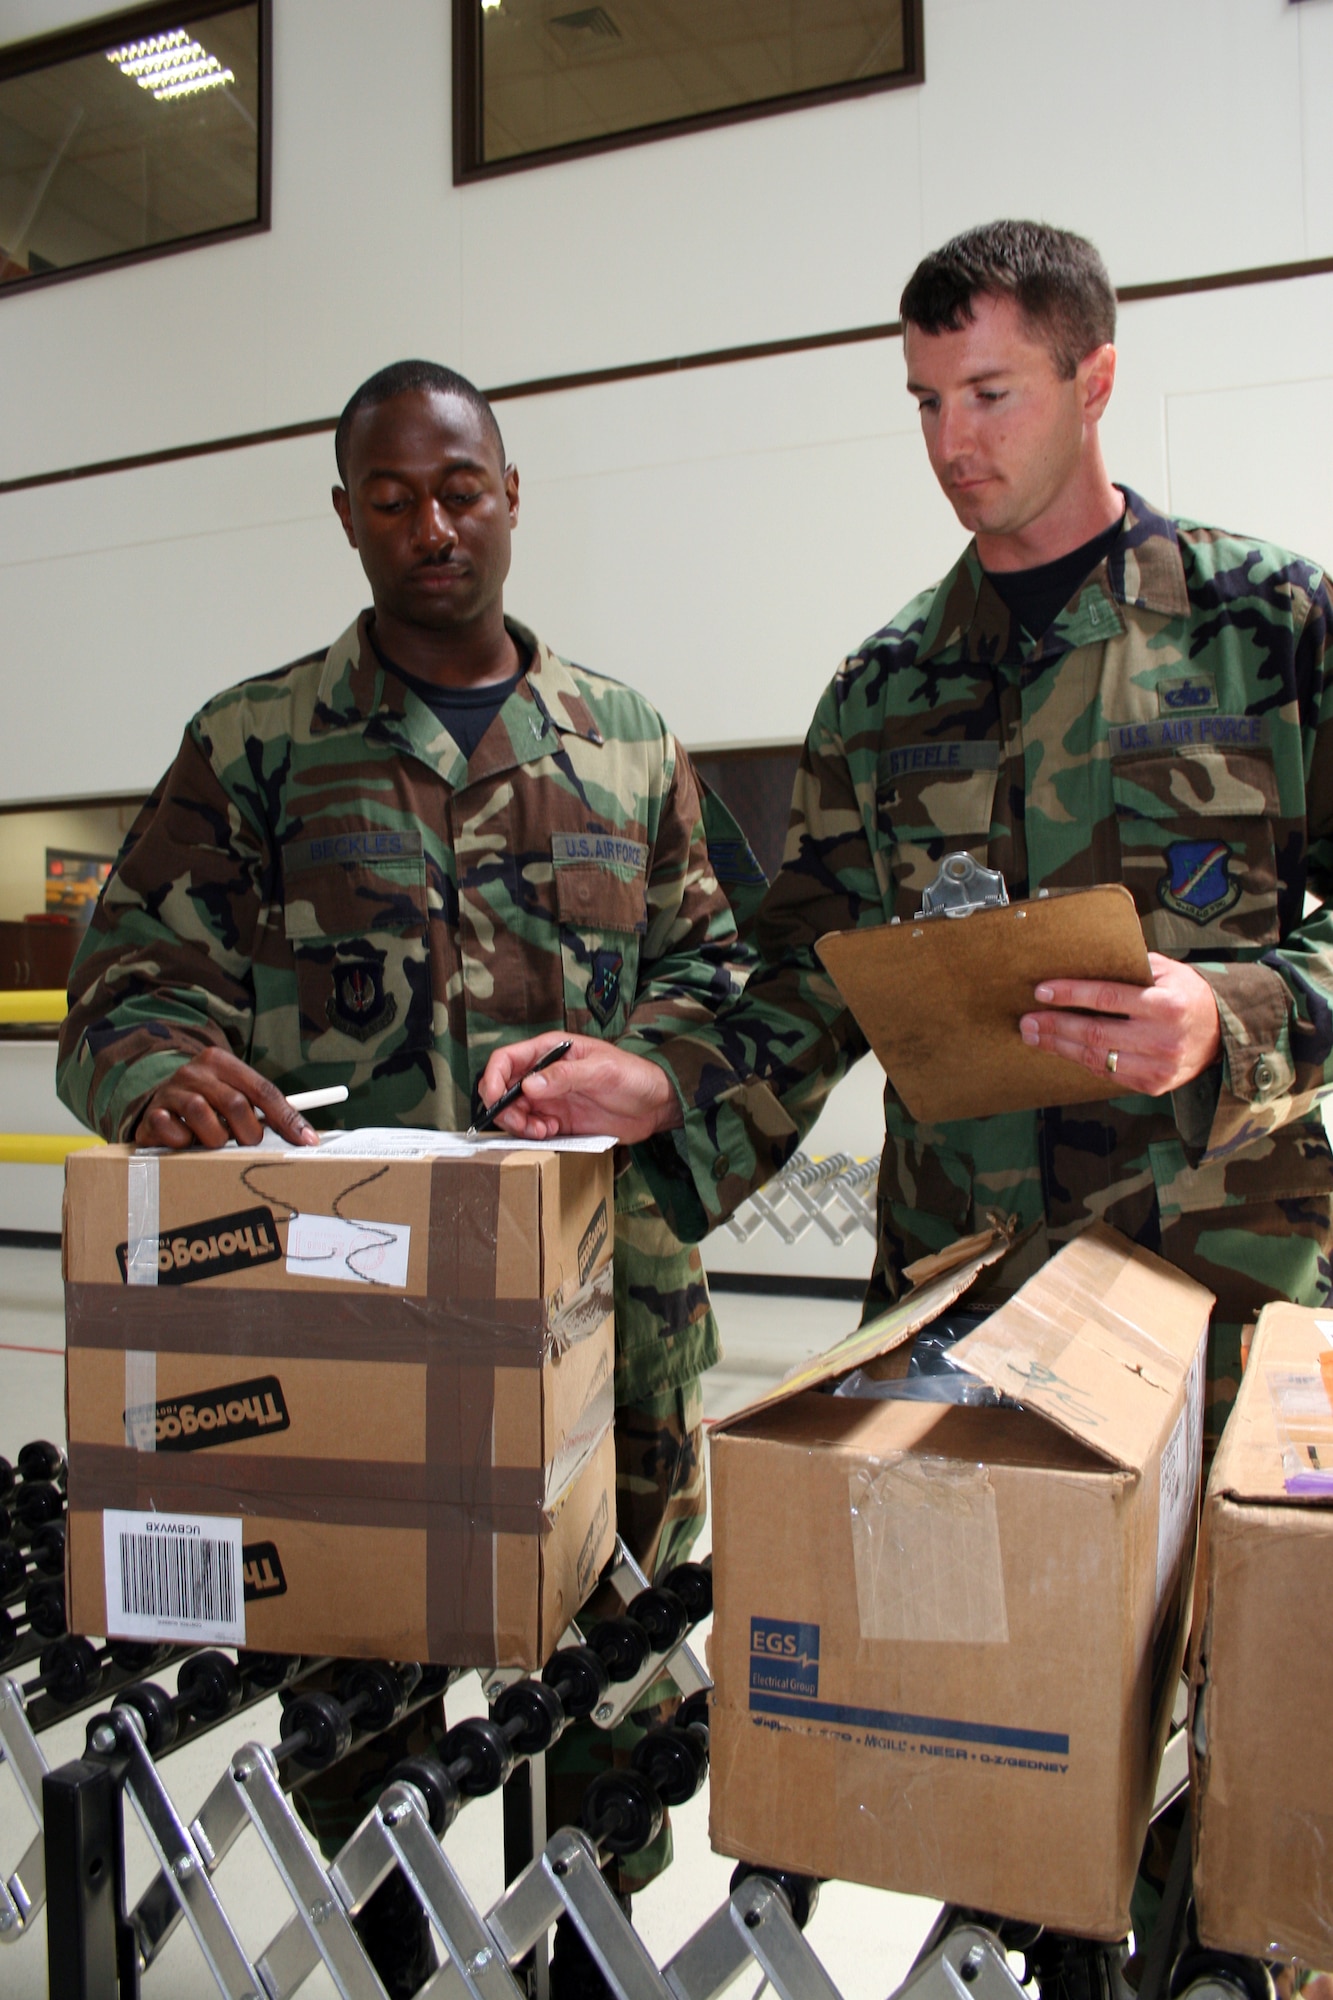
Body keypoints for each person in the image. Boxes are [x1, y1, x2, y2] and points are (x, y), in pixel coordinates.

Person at [56, 359, 752, 1998]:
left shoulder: (629, 744)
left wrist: (645, 1060)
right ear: (347, 517)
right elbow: (125, 980)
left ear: (509, 494)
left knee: (610, 1678)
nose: (430, 528)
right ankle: (378, 1946)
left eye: (458, 491)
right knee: (354, 1704)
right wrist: (160, 1071)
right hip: (344, 1333)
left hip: (606, 1323)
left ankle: (583, 1954)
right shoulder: (258, 746)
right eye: (391, 499)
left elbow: (719, 980)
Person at [477, 218, 1333, 1476]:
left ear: (1092, 380)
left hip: (1223, 1298)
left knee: (1239, 1665)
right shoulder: (882, 691)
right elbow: (808, 982)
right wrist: (665, 1081)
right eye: (925, 401)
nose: (951, 443)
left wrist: (1232, 1012)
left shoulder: (1267, 625)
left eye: (990, 394)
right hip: (964, 1306)